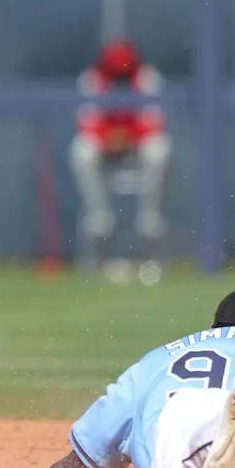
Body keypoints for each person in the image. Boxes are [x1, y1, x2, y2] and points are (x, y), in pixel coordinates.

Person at [0, 287, 235, 468]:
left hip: (186, 432)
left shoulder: (158, 360)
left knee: (186, 440)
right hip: (226, 425)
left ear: (215, 328)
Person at [68, 38, 171, 284]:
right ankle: (99, 218)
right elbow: (87, 122)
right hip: (104, 147)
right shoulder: (92, 79)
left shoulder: (148, 78)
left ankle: (150, 220)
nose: (120, 76)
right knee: (82, 151)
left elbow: (154, 122)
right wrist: (108, 137)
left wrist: (129, 137)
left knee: (159, 150)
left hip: (137, 145)